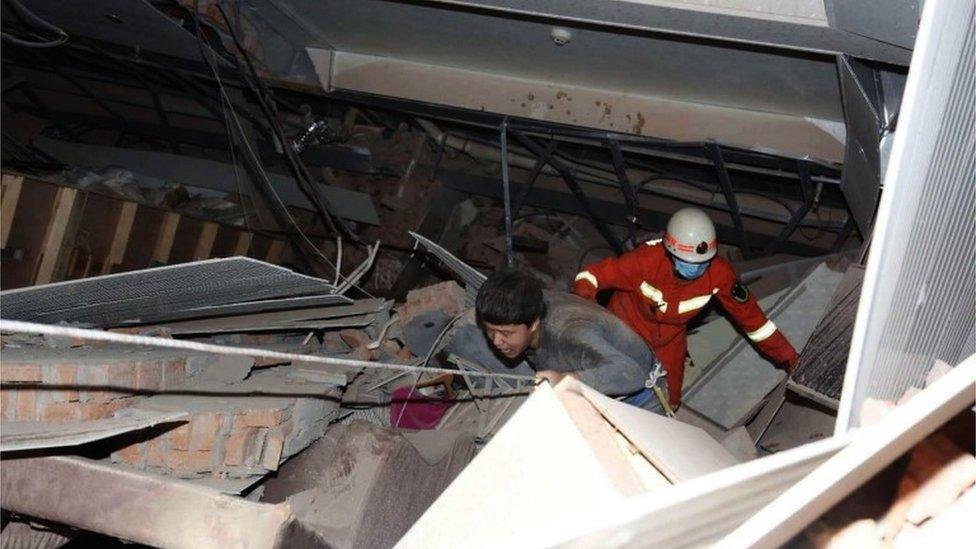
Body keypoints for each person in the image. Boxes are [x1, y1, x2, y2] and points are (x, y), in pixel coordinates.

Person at [573, 207, 798, 408]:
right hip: (624, 330)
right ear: (670, 253)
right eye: (688, 262)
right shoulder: (643, 262)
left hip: (670, 341)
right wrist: (590, 315)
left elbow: (755, 322)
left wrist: (789, 358)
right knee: (607, 381)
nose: (696, 269)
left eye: (703, 263)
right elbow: (591, 277)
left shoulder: (719, 275)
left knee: (670, 399)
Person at [474, 268, 662, 401]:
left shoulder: (569, 334)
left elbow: (632, 374)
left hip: (641, 393)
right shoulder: (525, 302)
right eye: (489, 330)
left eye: (506, 333)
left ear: (533, 323)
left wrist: (568, 380)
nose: (496, 341)